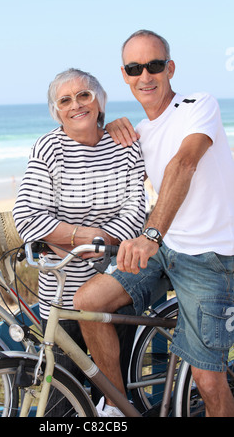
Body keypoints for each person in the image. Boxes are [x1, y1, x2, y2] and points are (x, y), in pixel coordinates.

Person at [73, 30, 234, 417]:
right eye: (134, 68)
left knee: (208, 381)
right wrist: (107, 126)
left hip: (210, 259)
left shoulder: (199, 105)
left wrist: (149, 235)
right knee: (88, 303)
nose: (145, 76)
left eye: (154, 65)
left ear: (170, 68)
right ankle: (115, 404)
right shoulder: (138, 134)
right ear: (125, 76)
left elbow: (185, 163)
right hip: (166, 251)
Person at [13, 68, 146, 415]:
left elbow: (134, 213)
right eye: (65, 100)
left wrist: (72, 238)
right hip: (60, 294)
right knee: (61, 404)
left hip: (113, 290)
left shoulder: (125, 146)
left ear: (99, 101)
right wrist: (83, 236)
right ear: (56, 111)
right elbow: (27, 217)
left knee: (113, 398)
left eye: (84, 95)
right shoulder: (49, 147)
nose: (76, 105)